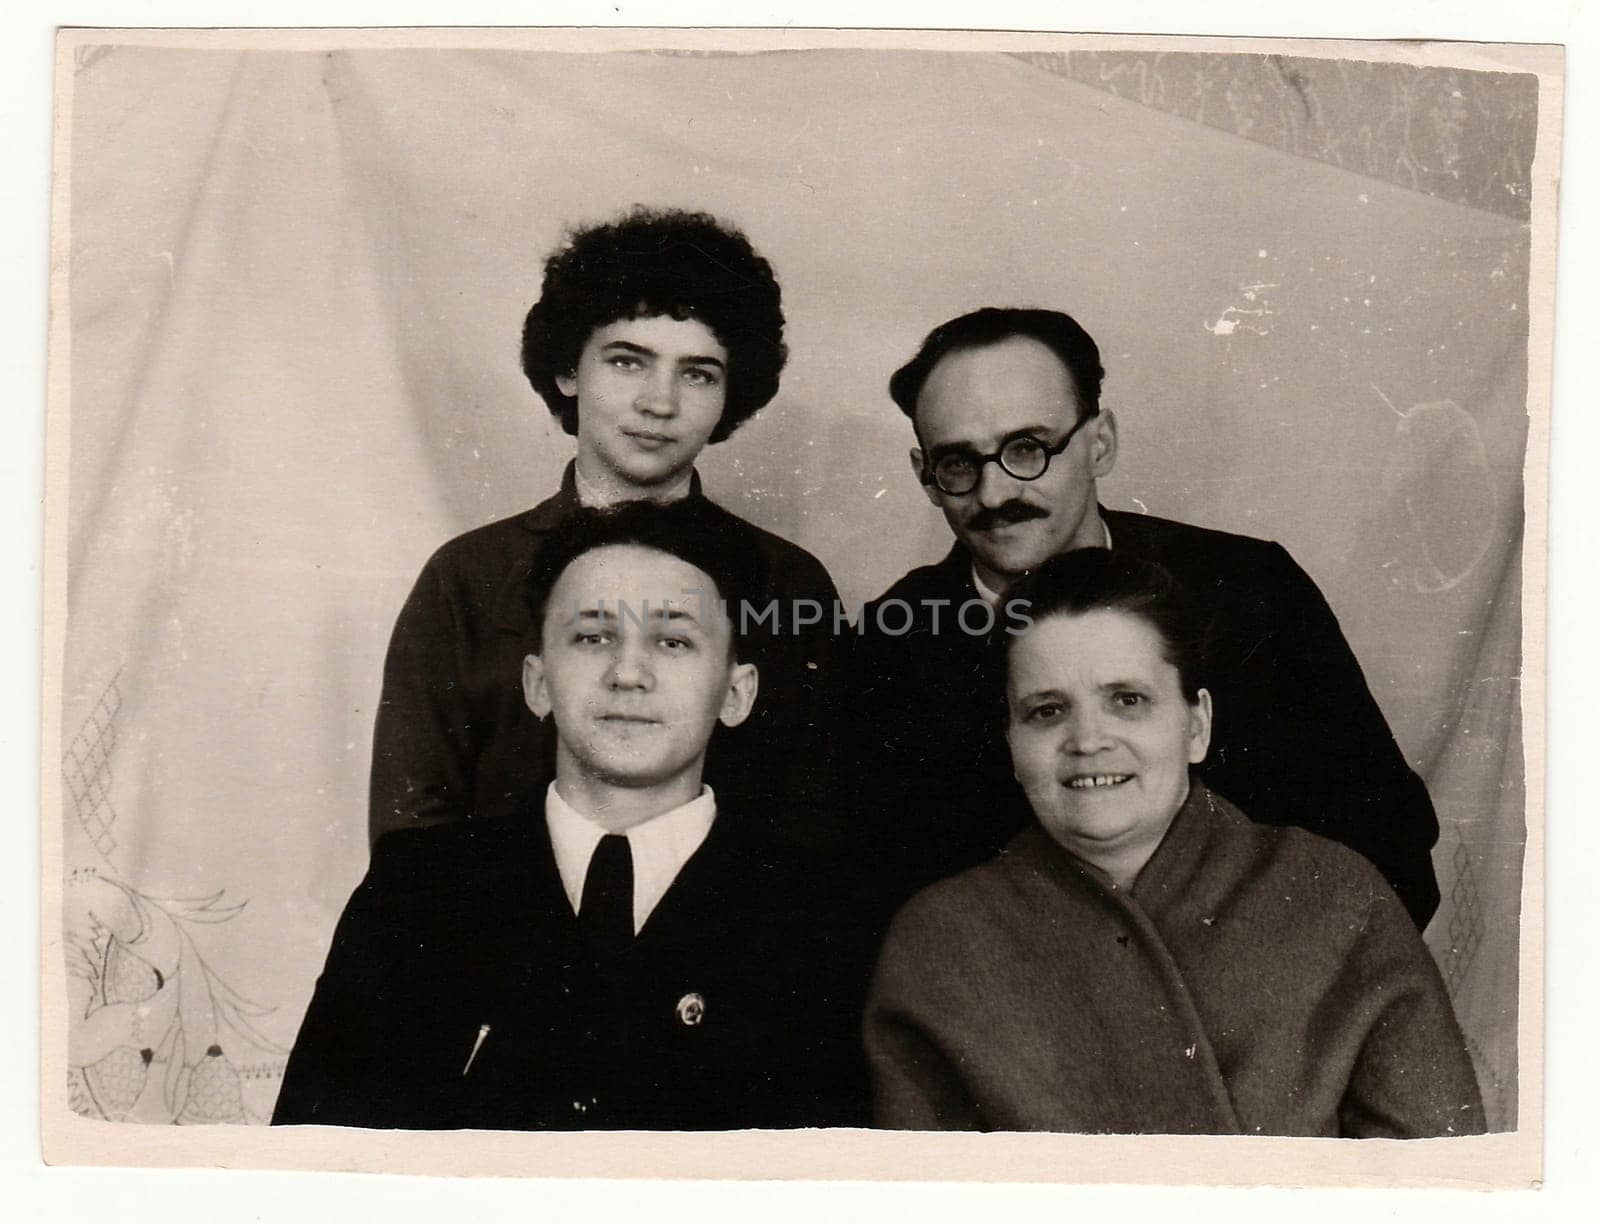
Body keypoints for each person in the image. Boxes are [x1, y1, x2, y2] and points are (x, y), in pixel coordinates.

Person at [274, 501, 871, 1130]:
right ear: (536, 681)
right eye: (593, 637)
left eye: (674, 640)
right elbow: (314, 1171)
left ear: (737, 692)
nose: (628, 673)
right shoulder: (415, 894)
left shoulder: (822, 919)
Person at [851, 307, 1440, 928]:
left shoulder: (1251, 591)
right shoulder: (887, 644)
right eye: (958, 464)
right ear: (925, 476)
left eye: (1028, 448)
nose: (996, 494)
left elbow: (1387, 849)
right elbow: (883, 914)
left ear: (1100, 442)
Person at [862, 549, 1484, 1136]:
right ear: (1010, 742)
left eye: (1127, 701)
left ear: (1196, 725)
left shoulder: (1338, 898)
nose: (1088, 741)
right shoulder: (938, 941)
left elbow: (1434, 1183)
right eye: (1047, 711)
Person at [369, 206, 842, 852]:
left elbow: (819, 830)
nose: (660, 402)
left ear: (733, 393)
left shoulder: (789, 584)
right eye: (628, 362)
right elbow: (411, 834)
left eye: (698, 373)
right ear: (569, 369)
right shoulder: (468, 579)